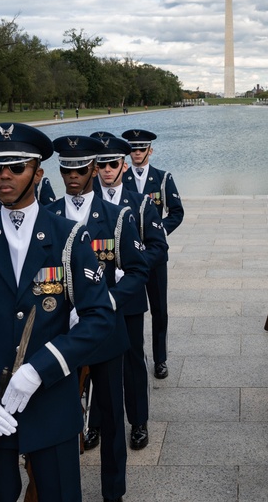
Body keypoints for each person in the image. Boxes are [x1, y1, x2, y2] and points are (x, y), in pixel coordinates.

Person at [0, 123, 115, 502]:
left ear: (38, 173)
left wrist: (39, 369)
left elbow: (99, 317)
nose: (5, 177)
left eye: (16, 167)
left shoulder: (68, 236)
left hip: (50, 400)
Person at [48, 135, 148, 502]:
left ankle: (114, 490)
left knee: (110, 412)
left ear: (93, 169)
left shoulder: (115, 216)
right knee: (61, 414)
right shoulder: (49, 214)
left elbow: (138, 272)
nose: (72, 176)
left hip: (104, 329)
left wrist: (105, 299)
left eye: (79, 169)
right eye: (65, 169)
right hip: (60, 332)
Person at [90, 133, 168, 452]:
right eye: (101, 164)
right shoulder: (83, 203)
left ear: (123, 166)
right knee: (94, 360)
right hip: (92, 294)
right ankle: (94, 422)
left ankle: (138, 421)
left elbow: (158, 246)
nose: (107, 170)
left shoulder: (139, 203)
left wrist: (133, 264)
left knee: (133, 359)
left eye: (112, 164)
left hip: (129, 294)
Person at [121, 128, 183, 379]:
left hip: (155, 254)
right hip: (126, 255)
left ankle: (160, 359)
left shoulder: (162, 178)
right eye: (132, 149)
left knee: (159, 308)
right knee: (128, 309)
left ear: (150, 150)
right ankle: (131, 356)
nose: (136, 153)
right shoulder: (118, 178)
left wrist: (159, 232)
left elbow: (176, 212)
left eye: (141, 148)